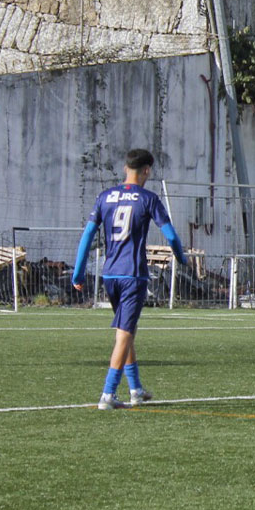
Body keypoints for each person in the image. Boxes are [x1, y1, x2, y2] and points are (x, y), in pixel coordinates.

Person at [71, 148, 188, 409]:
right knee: (123, 336)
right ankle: (108, 395)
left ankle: (135, 389)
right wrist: (181, 257)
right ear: (146, 170)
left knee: (127, 332)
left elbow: (87, 235)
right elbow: (170, 235)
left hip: (110, 274)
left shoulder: (105, 196)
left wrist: (78, 272)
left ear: (126, 168)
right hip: (133, 276)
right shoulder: (148, 198)